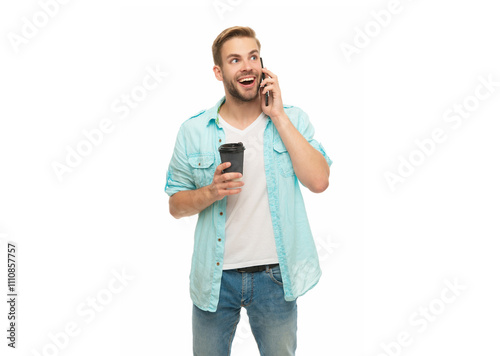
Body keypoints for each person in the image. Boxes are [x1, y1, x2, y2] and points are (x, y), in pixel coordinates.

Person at [165, 26, 332, 356]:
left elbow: (319, 181)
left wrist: (278, 116)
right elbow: (176, 204)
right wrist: (210, 192)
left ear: (263, 65)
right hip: (215, 278)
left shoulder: (292, 119)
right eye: (235, 59)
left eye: (253, 57)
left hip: (275, 276)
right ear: (219, 71)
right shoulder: (194, 130)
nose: (247, 66)